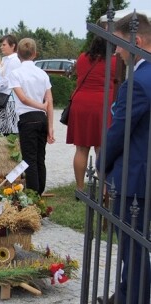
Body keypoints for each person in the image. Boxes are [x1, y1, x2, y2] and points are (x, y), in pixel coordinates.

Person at [97, 12, 151, 304]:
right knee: (136, 244)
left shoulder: (139, 82)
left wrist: (102, 165)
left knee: (134, 246)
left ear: (137, 41)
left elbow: (118, 133)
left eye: (118, 43)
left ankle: (135, 298)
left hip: (135, 176)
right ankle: (126, 293)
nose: (115, 50)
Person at [66, 35, 116, 193]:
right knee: (101, 148)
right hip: (103, 104)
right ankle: (103, 190)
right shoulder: (114, 62)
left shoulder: (81, 58)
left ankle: (80, 188)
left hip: (80, 104)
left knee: (81, 149)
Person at [7, 38, 54, 195]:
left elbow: (23, 98)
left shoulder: (15, 73)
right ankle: (39, 192)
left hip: (27, 118)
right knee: (41, 158)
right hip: (42, 119)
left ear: (18, 54)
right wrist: (51, 127)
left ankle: (33, 196)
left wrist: (40, 105)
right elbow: (50, 101)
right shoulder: (42, 74)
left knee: (29, 160)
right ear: (35, 54)